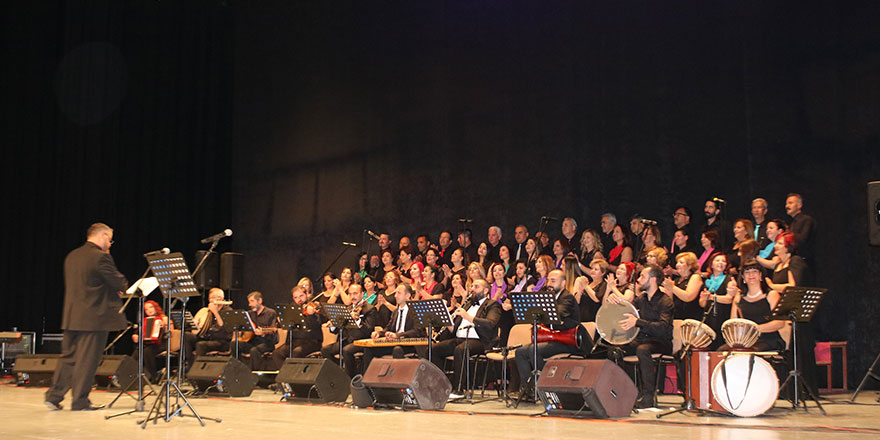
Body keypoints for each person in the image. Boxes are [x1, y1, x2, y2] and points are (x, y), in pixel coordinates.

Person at [46, 223, 129, 411]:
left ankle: (54, 396)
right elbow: (119, 282)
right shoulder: (101, 257)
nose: (110, 244)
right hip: (94, 318)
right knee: (87, 360)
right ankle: (80, 401)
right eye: (110, 239)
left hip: (72, 316)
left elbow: (87, 285)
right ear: (102, 236)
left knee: (68, 357)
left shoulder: (72, 256)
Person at [606, 265, 674, 409]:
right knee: (616, 350)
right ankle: (628, 392)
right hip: (643, 340)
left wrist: (638, 322)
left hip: (661, 341)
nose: (639, 280)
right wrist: (615, 300)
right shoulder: (641, 300)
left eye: (642, 276)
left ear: (653, 279)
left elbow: (663, 328)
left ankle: (648, 397)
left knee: (643, 350)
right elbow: (626, 309)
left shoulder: (665, 301)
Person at [428, 279, 501, 395]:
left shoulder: (492, 304)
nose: (472, 289)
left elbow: (490, 323)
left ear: (486, 290)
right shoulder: (467, 304)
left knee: (461, 349)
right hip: (460, 339)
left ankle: (459, 389)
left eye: (476, 287)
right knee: (433, 349)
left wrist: (467, 317)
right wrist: (445, 320)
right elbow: (454, 330)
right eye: (472, 287)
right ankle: (441, 385)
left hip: (481, 341)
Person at [514, 270, 582, 393]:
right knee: (520, 352)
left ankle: (543, 386)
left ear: (563, 283)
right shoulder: (548, 297)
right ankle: (527, 389)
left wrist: (540, 310)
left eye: (553, 281)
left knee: (533, 350)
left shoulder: (567, 297)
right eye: (548, 280)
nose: (549, 283)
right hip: (553, 340)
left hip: (568, 341)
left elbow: (559, 314)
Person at [722, 261, 785, 352]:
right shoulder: (738, 297)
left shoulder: (771, 295)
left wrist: (753, 329)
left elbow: (779, 323)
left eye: (755, 271)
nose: (751, 274)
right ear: (743, 277)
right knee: (722, 350)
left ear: (760, 275)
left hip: (768, 340)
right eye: (747, 272)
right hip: (745, 341)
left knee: (747, 352)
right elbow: (733, 323)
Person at [321, 284, 379, 377]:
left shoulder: (370, 309)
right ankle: (337, 373)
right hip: (347, 340)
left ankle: (349, 377)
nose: (352, 296)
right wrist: (333, 325)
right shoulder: (348, 309)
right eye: (350, 294)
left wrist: (357, 320)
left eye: (355, 293)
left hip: (361, 341)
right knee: (325, 350)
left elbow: (369, 330)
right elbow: (337, 330)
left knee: (346, 350)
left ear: (362, 294)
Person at [362, 284, 424, 368]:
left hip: (409, 345)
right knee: (369, 349)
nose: (395, 296)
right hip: (394, 343)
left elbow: (417, 331)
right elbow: (389, 327)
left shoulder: (415, 311)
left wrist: (398, 335)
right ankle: (367, 379)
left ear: (408, 295)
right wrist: (379, 333)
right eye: (395, 293)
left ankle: (399, 379)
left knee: (397, 350)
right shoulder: (396, 312)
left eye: (399, 293)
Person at [271, 286, 323, 369]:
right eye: (296, 297)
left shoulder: (314, 306)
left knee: (296, 352)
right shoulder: (292, 309)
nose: (299, 299)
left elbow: (317, 324)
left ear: (306, 294)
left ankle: (295, 378)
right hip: (294, 341)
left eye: (301, 296)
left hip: (311, 342)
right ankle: (286, 376)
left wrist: (311, 315)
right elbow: (285, 325)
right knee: (277, 354)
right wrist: (282, 321)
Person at [185, 287, 233, 366]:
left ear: (221, 298)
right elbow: (203, 327)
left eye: (214, 298)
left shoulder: (228, 310)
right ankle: (190, 364)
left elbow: (223, 326)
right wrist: (195, 325)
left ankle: (198, 369)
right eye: (210, 298)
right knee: (187, 336)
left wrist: (215, 312)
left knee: (201, 345)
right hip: (207, 337)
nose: (211, 300)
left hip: (221, 341)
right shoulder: (206, 311)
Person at [699, 253, 736, 349]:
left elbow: (729, 299)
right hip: (709, 318)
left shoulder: (730, 280)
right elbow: (702, 304)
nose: (721, 263)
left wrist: (711, 297)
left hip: (723, 317)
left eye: (723, 261)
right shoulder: (707, 281)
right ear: (711, 264)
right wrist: (703, 298)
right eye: (717, 260)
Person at [131, 300, 172, 382]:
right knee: (137, 351)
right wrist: (135, 336)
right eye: (146, 309)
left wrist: (164, 326)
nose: (149, 310)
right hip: (149, 344)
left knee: (147, 351)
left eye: (151, 307)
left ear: (156, 307)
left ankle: (153, 376)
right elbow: (137, 333)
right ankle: (131, 377)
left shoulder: (164, 318)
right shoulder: (145, 320)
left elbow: (172, 333)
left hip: (162, 343)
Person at [241, 291, 278, 371]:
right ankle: (237, 370)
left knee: (254, 350)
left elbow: (273, 331)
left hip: (267, 342)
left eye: (252, 301)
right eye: (249, 302)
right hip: (252, 341)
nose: (249, 304)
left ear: (260, 301)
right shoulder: (250, 314)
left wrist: (263, 333)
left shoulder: (270, 313)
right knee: (235, 345)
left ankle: (254, 374)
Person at [660, 252, 703, 320]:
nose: (677, 265)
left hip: (691, 320)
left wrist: (672, 287)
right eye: (677, 262)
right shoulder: (677, 280)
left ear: (689, 266)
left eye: (681, 262)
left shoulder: (695, 277)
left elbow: (688, 297)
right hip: (677, 317)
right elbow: (671, 300)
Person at [785, 193, 817, 275]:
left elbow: (803, 239)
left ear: (799, 205)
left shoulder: (806, 220)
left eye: (790, 203)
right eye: (786, 203)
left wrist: (788, 236)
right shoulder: (792, 223)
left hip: (804, 261)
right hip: (794, 260)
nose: (787, 206)